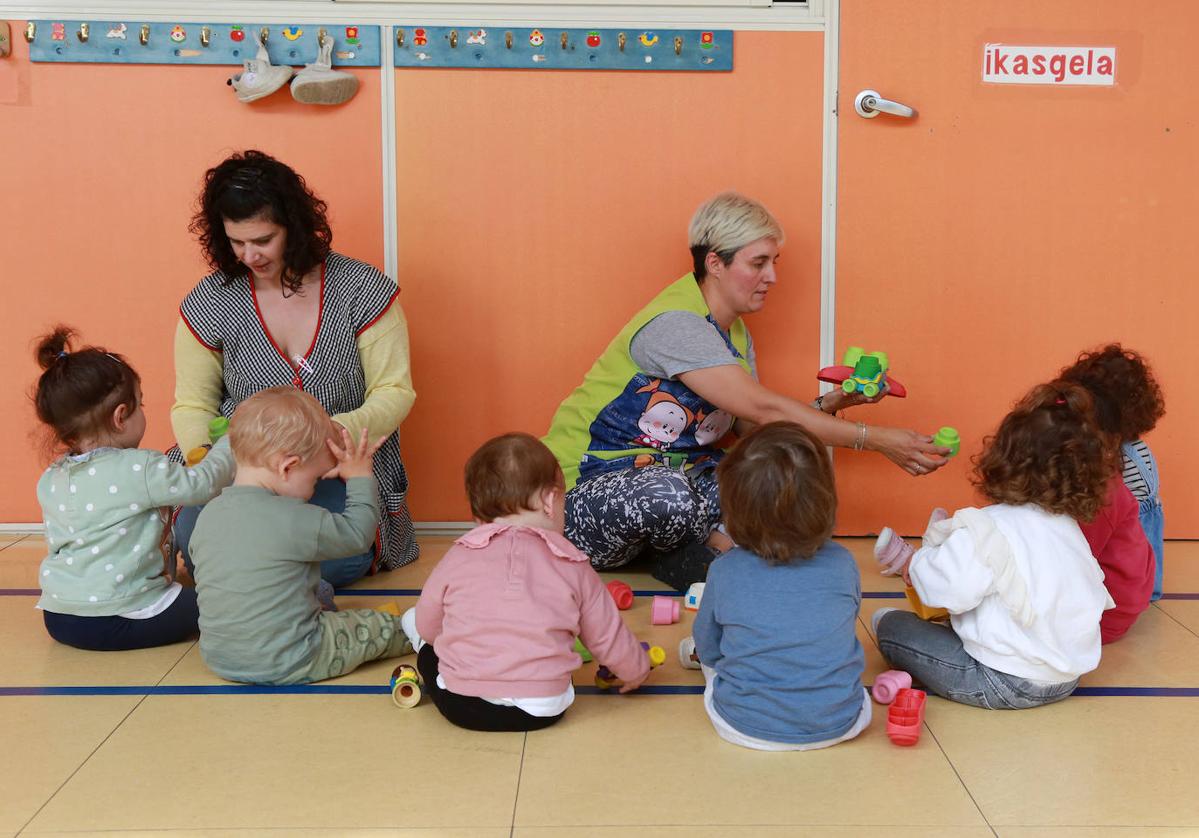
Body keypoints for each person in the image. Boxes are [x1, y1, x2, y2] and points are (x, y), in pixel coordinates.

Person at [543, 192, 949, 590]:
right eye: (758, 263)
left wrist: (833, 402)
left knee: (772, 479)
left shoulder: (735, 332)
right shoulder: (677, 324)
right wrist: (875, 440)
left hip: (685, 482)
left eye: (774, 262)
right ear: (715, 263)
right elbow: (764, 408)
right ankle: (701, 549)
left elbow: (753, 429)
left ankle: (693, 551)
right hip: (592, 492)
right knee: (668, 495)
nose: (772, 276)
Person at [172, 149, 417, 587]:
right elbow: (192, 403)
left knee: (344, 556)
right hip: (240, 470)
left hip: (334, 466)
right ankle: (265, 573)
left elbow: (394, 392)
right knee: (194, 538)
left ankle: (249, 574)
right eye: (236, 242)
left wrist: (325, 440)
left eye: (263, 240)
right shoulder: (210, 300)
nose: (249, 255)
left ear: (295, 228)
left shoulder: (362, 289)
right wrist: (207, 459)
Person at [872, 381, 1116, 710]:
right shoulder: (1069, 530)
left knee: (889, 623)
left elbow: (941, 593)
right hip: (1067, 679)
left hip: (999, 682)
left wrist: (922, 561)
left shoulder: (986, 527)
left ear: (1003, 458)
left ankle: (914, 575)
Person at [402, 433, 650, 732]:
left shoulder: (459, 553)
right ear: (549, 500)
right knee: (552, 660)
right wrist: (635, 669)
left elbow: (429, 624)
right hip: (543, 709)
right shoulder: (572, 562)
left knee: (429, 653)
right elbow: (606, 633)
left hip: (464, 706)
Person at [189, 387, 411, 685]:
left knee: (316, 588)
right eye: (315, 479)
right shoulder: (292, 517)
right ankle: (416, 631)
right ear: (287, 467)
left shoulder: (208, 515)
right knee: (375, 625)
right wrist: (359, 479)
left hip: (220, 657)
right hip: (294, 656)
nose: (315, 489)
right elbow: (359, 535)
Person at [32, 327, 234, 651]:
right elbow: (203, 484)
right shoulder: (139, 468)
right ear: (121, 416)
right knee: (227, 602)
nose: (143, 412)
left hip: (60, 617)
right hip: (122, 618)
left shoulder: (52, 477)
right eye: (141, 404)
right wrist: (227, 445)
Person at [678, 422, 871, 750]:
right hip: (842, 722)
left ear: (734, 511)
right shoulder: (843, 562)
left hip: (743, 725)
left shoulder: (725, 569)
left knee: (710, 660)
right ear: (826, 502)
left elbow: (709, 646)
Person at [1060, 344, 1165, 604]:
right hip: (1140, 570)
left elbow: (1117, 527)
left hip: (1124, 576)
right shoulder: (1135, 449)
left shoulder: (1114, 458)